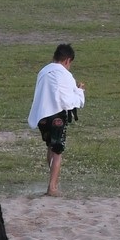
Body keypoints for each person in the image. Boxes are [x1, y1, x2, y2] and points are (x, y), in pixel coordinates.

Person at [28, 43, 86, 196]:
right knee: (57, 151)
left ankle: (53, 181)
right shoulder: (65, 75)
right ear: (67, 60)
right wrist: (80, 92)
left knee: (50, 147)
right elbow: (68, 100)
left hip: (41, 117)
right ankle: (52, 188)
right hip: (56, 117)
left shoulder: (43, 71)